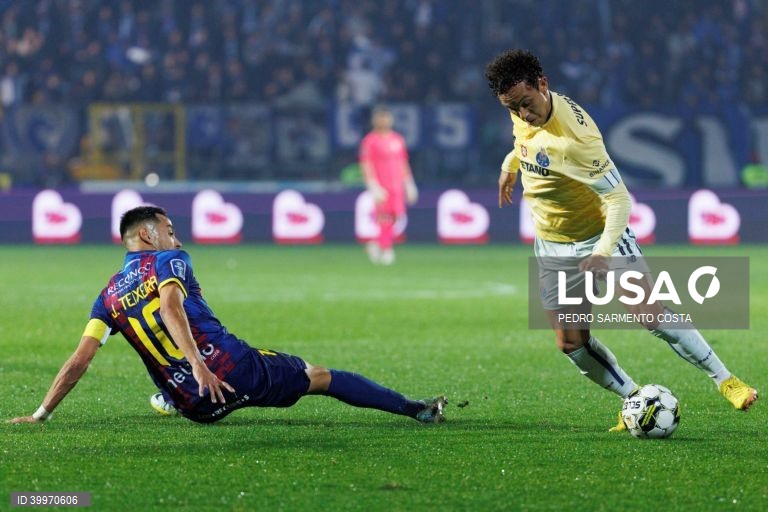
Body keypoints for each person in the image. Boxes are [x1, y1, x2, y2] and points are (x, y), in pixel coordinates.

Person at [485, 49, 758, 431]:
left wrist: (601, 252)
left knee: (649, 314)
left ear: (543, 85)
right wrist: (509, 166)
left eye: (526, 105)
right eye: (513, 109)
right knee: (571, 344)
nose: (522, 115)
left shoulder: (577, 139)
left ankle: (726, 380)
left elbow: (618, 198)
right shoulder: (523, 110)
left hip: (599, 235)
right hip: (551, 244)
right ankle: (634, 399)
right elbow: (524, 140)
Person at [8, 206, 446, 425]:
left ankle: (168, 397)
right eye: (170, 232)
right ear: (146, 234)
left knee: (164, 364)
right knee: (321, 376)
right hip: (228, 373)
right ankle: (415, 409)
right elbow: (170, 306)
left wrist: (41, 413)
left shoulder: (106, 296)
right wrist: (199, 364)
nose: (176, 240)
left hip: (193, 404)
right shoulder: (168, 263)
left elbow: (80, 360)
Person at [359, 107, 418, 265]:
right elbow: (366, 164)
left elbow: (403, 163)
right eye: (380, 118)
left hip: (397, 184)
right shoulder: (370, 141)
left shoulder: (397, 139)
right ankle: (386, 249)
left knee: (396, 217)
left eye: (386, 118)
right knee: (384, 217)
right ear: (375, 121)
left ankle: (376, 244)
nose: (384, 121)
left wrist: (409, 183)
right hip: (381, 184)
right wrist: (372, 184)